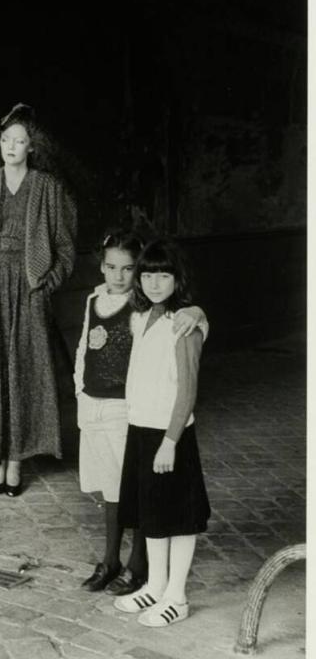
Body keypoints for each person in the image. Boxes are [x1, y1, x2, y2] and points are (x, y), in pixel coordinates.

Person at [75, 230, 208, 595]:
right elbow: (84, 349)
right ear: (102, 266)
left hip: (142, 418)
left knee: (149, 498)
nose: (120, 276)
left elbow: (192, 331)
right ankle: (123, 565)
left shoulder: (158, 315)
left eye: (130, 269)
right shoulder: (107, 304)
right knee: (120, 492)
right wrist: (79, 393)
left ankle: (147, 573)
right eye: (112, 267)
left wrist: (197, 313)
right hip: (110, 411)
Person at [0, 103, 77, 496]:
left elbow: (64, 246)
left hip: (27, 290)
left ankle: (16, 459)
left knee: (23, 374)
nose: (11, 146)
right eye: (6, 139)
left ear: (32, 147)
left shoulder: (46, 188)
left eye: (20, 141)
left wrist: (47, 283)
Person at [114, 238, 210, 627]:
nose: (155, 283)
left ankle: (177, 596)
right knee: (152, 513)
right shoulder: (141, 317)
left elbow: (187, 389)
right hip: (141, 430)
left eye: (164, 275)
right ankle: (154, 585)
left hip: (170, 435)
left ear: (177, 278)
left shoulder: (184, 322)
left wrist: (171, 441)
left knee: (179, 516)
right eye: (148, 275)